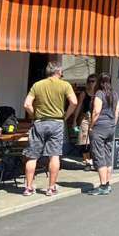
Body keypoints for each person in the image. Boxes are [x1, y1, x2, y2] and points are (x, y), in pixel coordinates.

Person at [23, 61, 77, 197]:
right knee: (54, 155)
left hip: (39, 122)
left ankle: (28, 187)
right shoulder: (65, 85)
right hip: (56, 122)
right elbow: (74, 102)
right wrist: (66, 115)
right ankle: (51, 187)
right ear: (58, 72)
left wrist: (34, 115)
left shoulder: (37, 85)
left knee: (32, 156)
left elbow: (27, 104)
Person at [86, 73, 118, 196]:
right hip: (110, 127)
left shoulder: (99, 93)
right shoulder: (114, 94)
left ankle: (103, 185)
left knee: (99, 155)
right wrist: (113, 124)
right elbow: (116, 111)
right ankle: (108, 184)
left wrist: (91, 125)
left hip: (99, 127)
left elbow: (96, 111)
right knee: (107, 155)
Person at [74, 74, 97, 171]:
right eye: (89, 81)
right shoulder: (84, 93)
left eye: (93, 81)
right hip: (85, 118)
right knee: (84, 141)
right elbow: (79, 106)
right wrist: (75, 120)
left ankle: (96, 162)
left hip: (96, 118)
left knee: (95, 141)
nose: (91, 83)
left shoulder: (99, 93)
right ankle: (87, 162)